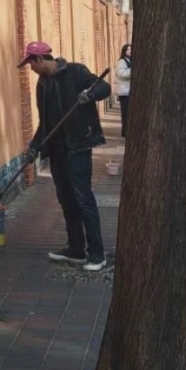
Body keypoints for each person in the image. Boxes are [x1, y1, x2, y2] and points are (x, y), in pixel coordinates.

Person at [20, 41, 111, 270]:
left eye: (30, 64)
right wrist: (35, 148)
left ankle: (97, 254)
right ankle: (76, 249)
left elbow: (104, 88)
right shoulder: (43, 85)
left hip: (78, 147)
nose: (30, 69)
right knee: (67, 200)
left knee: (83, 199)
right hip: (58, 151)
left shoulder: (76, 72)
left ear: (40, 59)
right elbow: (45, 123)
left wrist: (89, 95)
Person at [114, 43, 132, 138]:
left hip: (129, 91)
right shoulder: (122, 61)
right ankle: (125, 131)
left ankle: (128, 130)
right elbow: (121, 74)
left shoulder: (130, 61)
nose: (130, 51)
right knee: (125, 112)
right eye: (128, 50)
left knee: (129, 112)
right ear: (124, 52)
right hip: (124, 92)